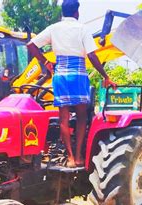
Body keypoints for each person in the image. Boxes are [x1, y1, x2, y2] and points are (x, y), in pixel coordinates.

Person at [27, 0, 116, 168]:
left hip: (60, 76)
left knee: (63, 118)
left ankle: (70, 158)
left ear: (63, 12)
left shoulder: (53, 29)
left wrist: (45, 61)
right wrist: (106, 76)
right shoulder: (82, 29)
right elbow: (92, 55)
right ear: (77, 12)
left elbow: (31, 45)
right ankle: (79, 156)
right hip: (78, 76)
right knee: (82, 116)